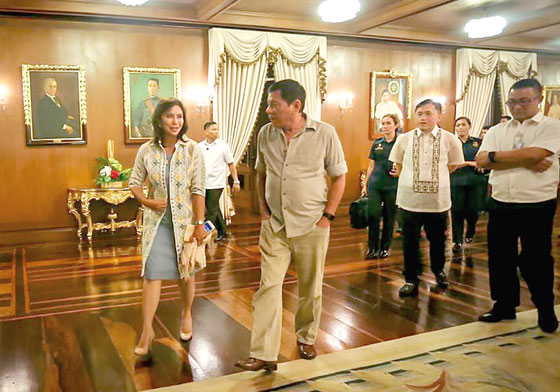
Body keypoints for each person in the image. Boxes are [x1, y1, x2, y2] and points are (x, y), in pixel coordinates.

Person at [235, 79, 347, 371]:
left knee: (310, 287)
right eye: (268, 104)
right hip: (275, 225)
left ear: (295, 106)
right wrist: (263, 212)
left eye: (274, 104)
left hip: (312, 224)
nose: (268, 110)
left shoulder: (325, 133)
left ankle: (306, 337)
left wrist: (328, 217)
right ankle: (263, 354)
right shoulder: (265, 133)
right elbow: (259, 173)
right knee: (268, 286)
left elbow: (339, 177)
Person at [476, 78, 560, 333]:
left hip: (537, 203)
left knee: (536, 260)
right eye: (513, 101)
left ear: (538, 100)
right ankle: (504, 305)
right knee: (500, 258)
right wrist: (523, 159)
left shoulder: (552, 126)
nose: (517, 106)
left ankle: (545, 308)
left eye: (524, 101)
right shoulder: (497, 131)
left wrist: (498, 158)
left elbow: (536, 154)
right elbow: (481, 159)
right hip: (501, 201)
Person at [128, 98, 207, 356]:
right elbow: (134, 182)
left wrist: (199, 224)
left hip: (185, 222)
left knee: (186, 272)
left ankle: (186, 314)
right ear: (159, 120)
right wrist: (147, 201)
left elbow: (198, 189)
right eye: (170, 117)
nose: (176, 122)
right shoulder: (146, 150)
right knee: (152, 273)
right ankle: (147, 329)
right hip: (157, 223)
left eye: (179, 117)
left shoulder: (193, 149)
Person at [389, 99, 464, 297]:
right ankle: (411, 279)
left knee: (438, 240)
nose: (423, 118)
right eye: (419, 113)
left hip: (437, 201)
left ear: (439, 116)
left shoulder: (450, 139)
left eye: (428, 113)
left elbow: (453, 165)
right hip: (409, 200)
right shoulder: (403, 139)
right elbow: (397, 164)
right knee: (409, 242)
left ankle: (439, 271)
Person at [362, 113, 399, 259]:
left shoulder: (400, 143)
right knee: (373, 215)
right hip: (375, 184)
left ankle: (384, 248)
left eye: (388, 123)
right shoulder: (377, 143)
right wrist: (365, 184)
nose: (385, 126)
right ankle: (372, 247)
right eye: (383, 123)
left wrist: (400, 173)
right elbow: (371, 165)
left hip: (392, 186)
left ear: (396, 125)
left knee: (390, 218)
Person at [199, 121, 241, 241]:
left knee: (210, 212)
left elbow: (231, 165)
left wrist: (236, 181)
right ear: (206, 131)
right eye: (213, 129)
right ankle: (223, 231)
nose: (216, 132)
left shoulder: (223, 146)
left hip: (217, 183)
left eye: (217, 130)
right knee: (213, 207)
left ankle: (204, 235)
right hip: (203, 183)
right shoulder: (199, 146)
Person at [450, 117, 485, 252]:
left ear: (469, 126)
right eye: (457, 125)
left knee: (473, 210)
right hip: (456, 181)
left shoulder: (477, 142)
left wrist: (465, 163)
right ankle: (457, 240)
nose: (460, 128)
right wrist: (470, 163)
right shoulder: (452, 143)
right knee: (456, 211)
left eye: (463, 125)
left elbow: (483, 162)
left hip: (475, 181)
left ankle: (470, 231)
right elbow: (450, 163)